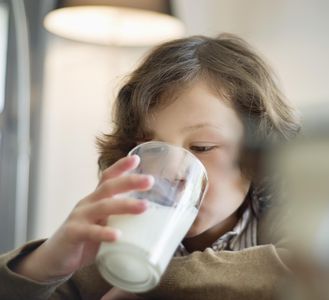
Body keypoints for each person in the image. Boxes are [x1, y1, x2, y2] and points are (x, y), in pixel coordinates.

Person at [0, 34, 300, 300]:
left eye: (202, 148)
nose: (172, 172)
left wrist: (148, 281)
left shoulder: (292, 219)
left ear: (257, 150)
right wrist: (45, 264)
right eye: (154, 150)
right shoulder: (114, 244)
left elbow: (300, 271)